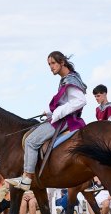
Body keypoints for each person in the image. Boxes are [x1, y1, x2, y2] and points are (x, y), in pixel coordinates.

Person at [6, 51, 87, 191]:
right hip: (64, 118)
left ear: (62, 62)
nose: (51, 67)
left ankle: (27, 178)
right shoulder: (69, 78)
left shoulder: (69, 80)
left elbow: (80, 101)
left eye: (53, 63)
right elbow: (65, 102)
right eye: (49, 64)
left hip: (66, 121)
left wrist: (57, 113)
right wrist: (49, 112)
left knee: (30, 140)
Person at [85, 84, 111, 192]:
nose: (97, 99)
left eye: (98, 96)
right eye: (95, 97)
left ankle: (101, 181)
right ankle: (96, 180)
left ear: (105, 94)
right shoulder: (98, 109)